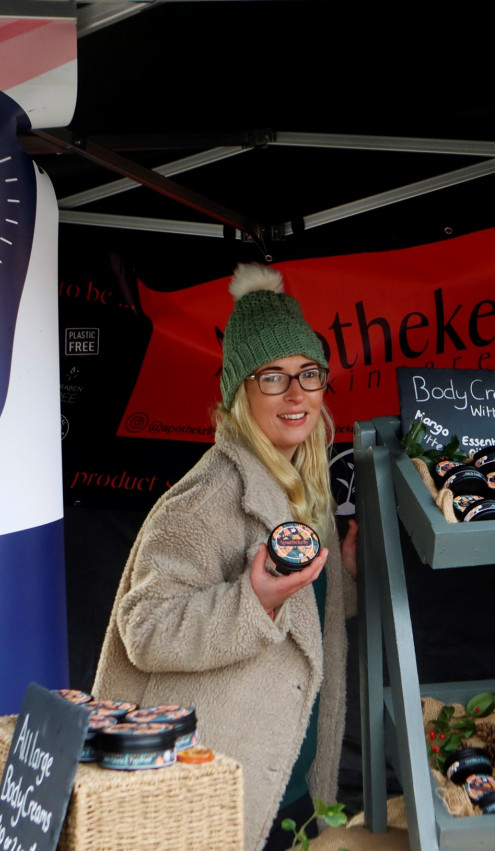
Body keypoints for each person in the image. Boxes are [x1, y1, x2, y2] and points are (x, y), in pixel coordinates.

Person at [92, 263, 358, 851]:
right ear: (240, 391)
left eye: (308, 374)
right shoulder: (207, 498)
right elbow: (145, 628)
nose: (296, 394)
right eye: (272, 377)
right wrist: (252, 600)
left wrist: (346, 573)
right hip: (215, 793)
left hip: (284, 780)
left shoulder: (301, 491)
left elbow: (302, 626)